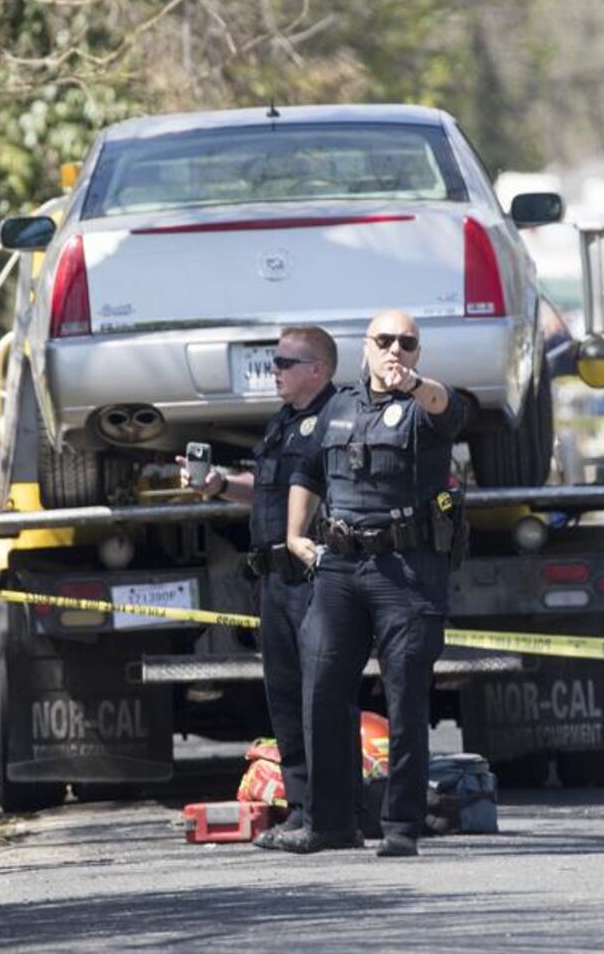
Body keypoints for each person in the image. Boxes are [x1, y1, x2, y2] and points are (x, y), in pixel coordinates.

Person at [282, 309, 470, 857]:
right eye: (384, 340)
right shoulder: (338, 405)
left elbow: (450, 409)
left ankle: (402, 825)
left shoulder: (424, 406)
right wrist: (295, 535)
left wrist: (415, 385)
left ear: (418, 353)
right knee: (321, 690)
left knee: (405, 698)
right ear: (364, 346)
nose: (395, 351)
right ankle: (329, 822)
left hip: (405, 571)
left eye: (407, 343)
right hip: (340, 569)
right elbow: (307, 470)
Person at [181, 326, 339, 847]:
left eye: (284, 363)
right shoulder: (282, 423)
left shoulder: (338, 420)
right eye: (274, 361)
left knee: (323, 697)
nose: (273, 370)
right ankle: (302, 810)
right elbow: (267, 489)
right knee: (286, 698)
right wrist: (220, 485)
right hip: (272, 579)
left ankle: (335, 813)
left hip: (314, 577)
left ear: (316, 369)